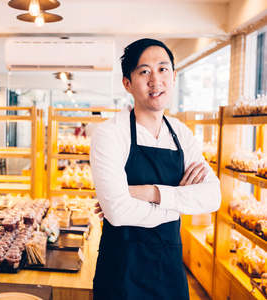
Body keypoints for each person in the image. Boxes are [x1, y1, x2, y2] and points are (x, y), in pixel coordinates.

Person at [90, 38, 221, 299]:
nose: (155, 80)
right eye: (144, 71)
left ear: (173, 76)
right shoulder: (110, 133)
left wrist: (148, 192)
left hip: (170, 268)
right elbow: (117, 212)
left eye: (162, 69)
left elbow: (213, 196)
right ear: (127, 83)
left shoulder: (181, 133)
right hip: (121, 271)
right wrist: (178, 205)